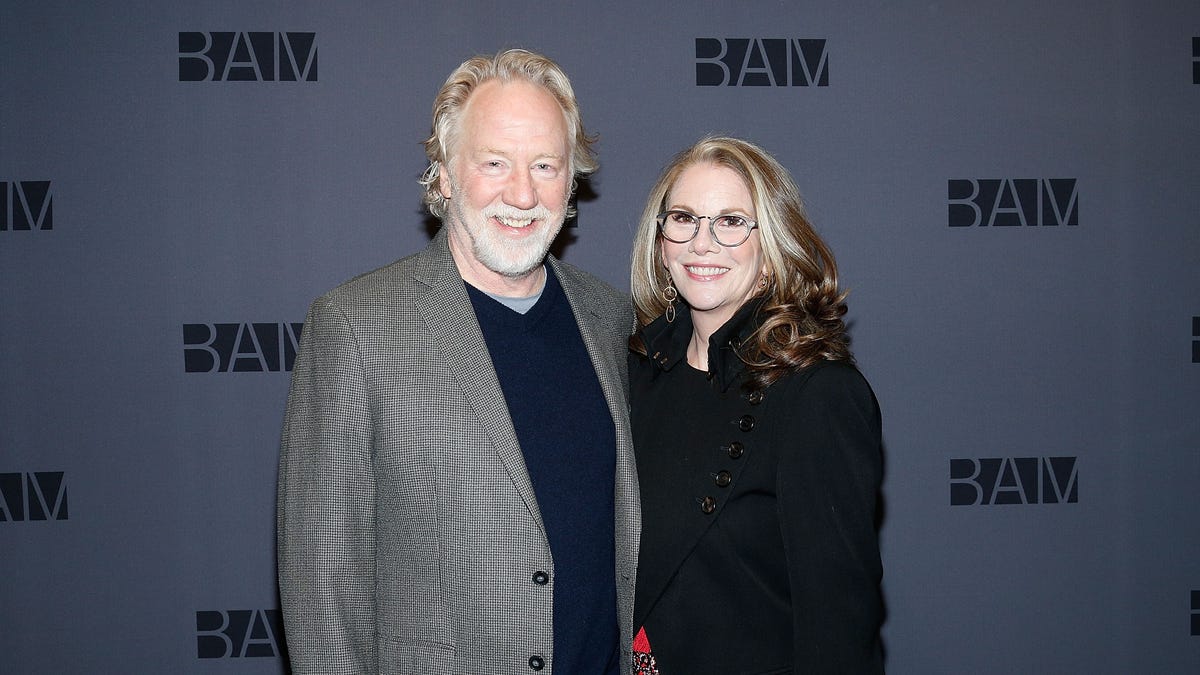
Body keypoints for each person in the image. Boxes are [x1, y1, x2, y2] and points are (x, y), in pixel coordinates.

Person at [276, 49, 639, 674]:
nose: (522, 193)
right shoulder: (356, 326)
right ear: (444, 174)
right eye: (494, 162)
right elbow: (324, 596)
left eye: (545, 165)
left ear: (572, 179)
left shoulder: (611, 319)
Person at [627, 136, 884, 673]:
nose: (702, 243)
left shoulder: (817, 396)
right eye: (684, 218)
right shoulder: (632, 376)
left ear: (771, 247)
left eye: (731, 221)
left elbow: (838, 629)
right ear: (661, 241)